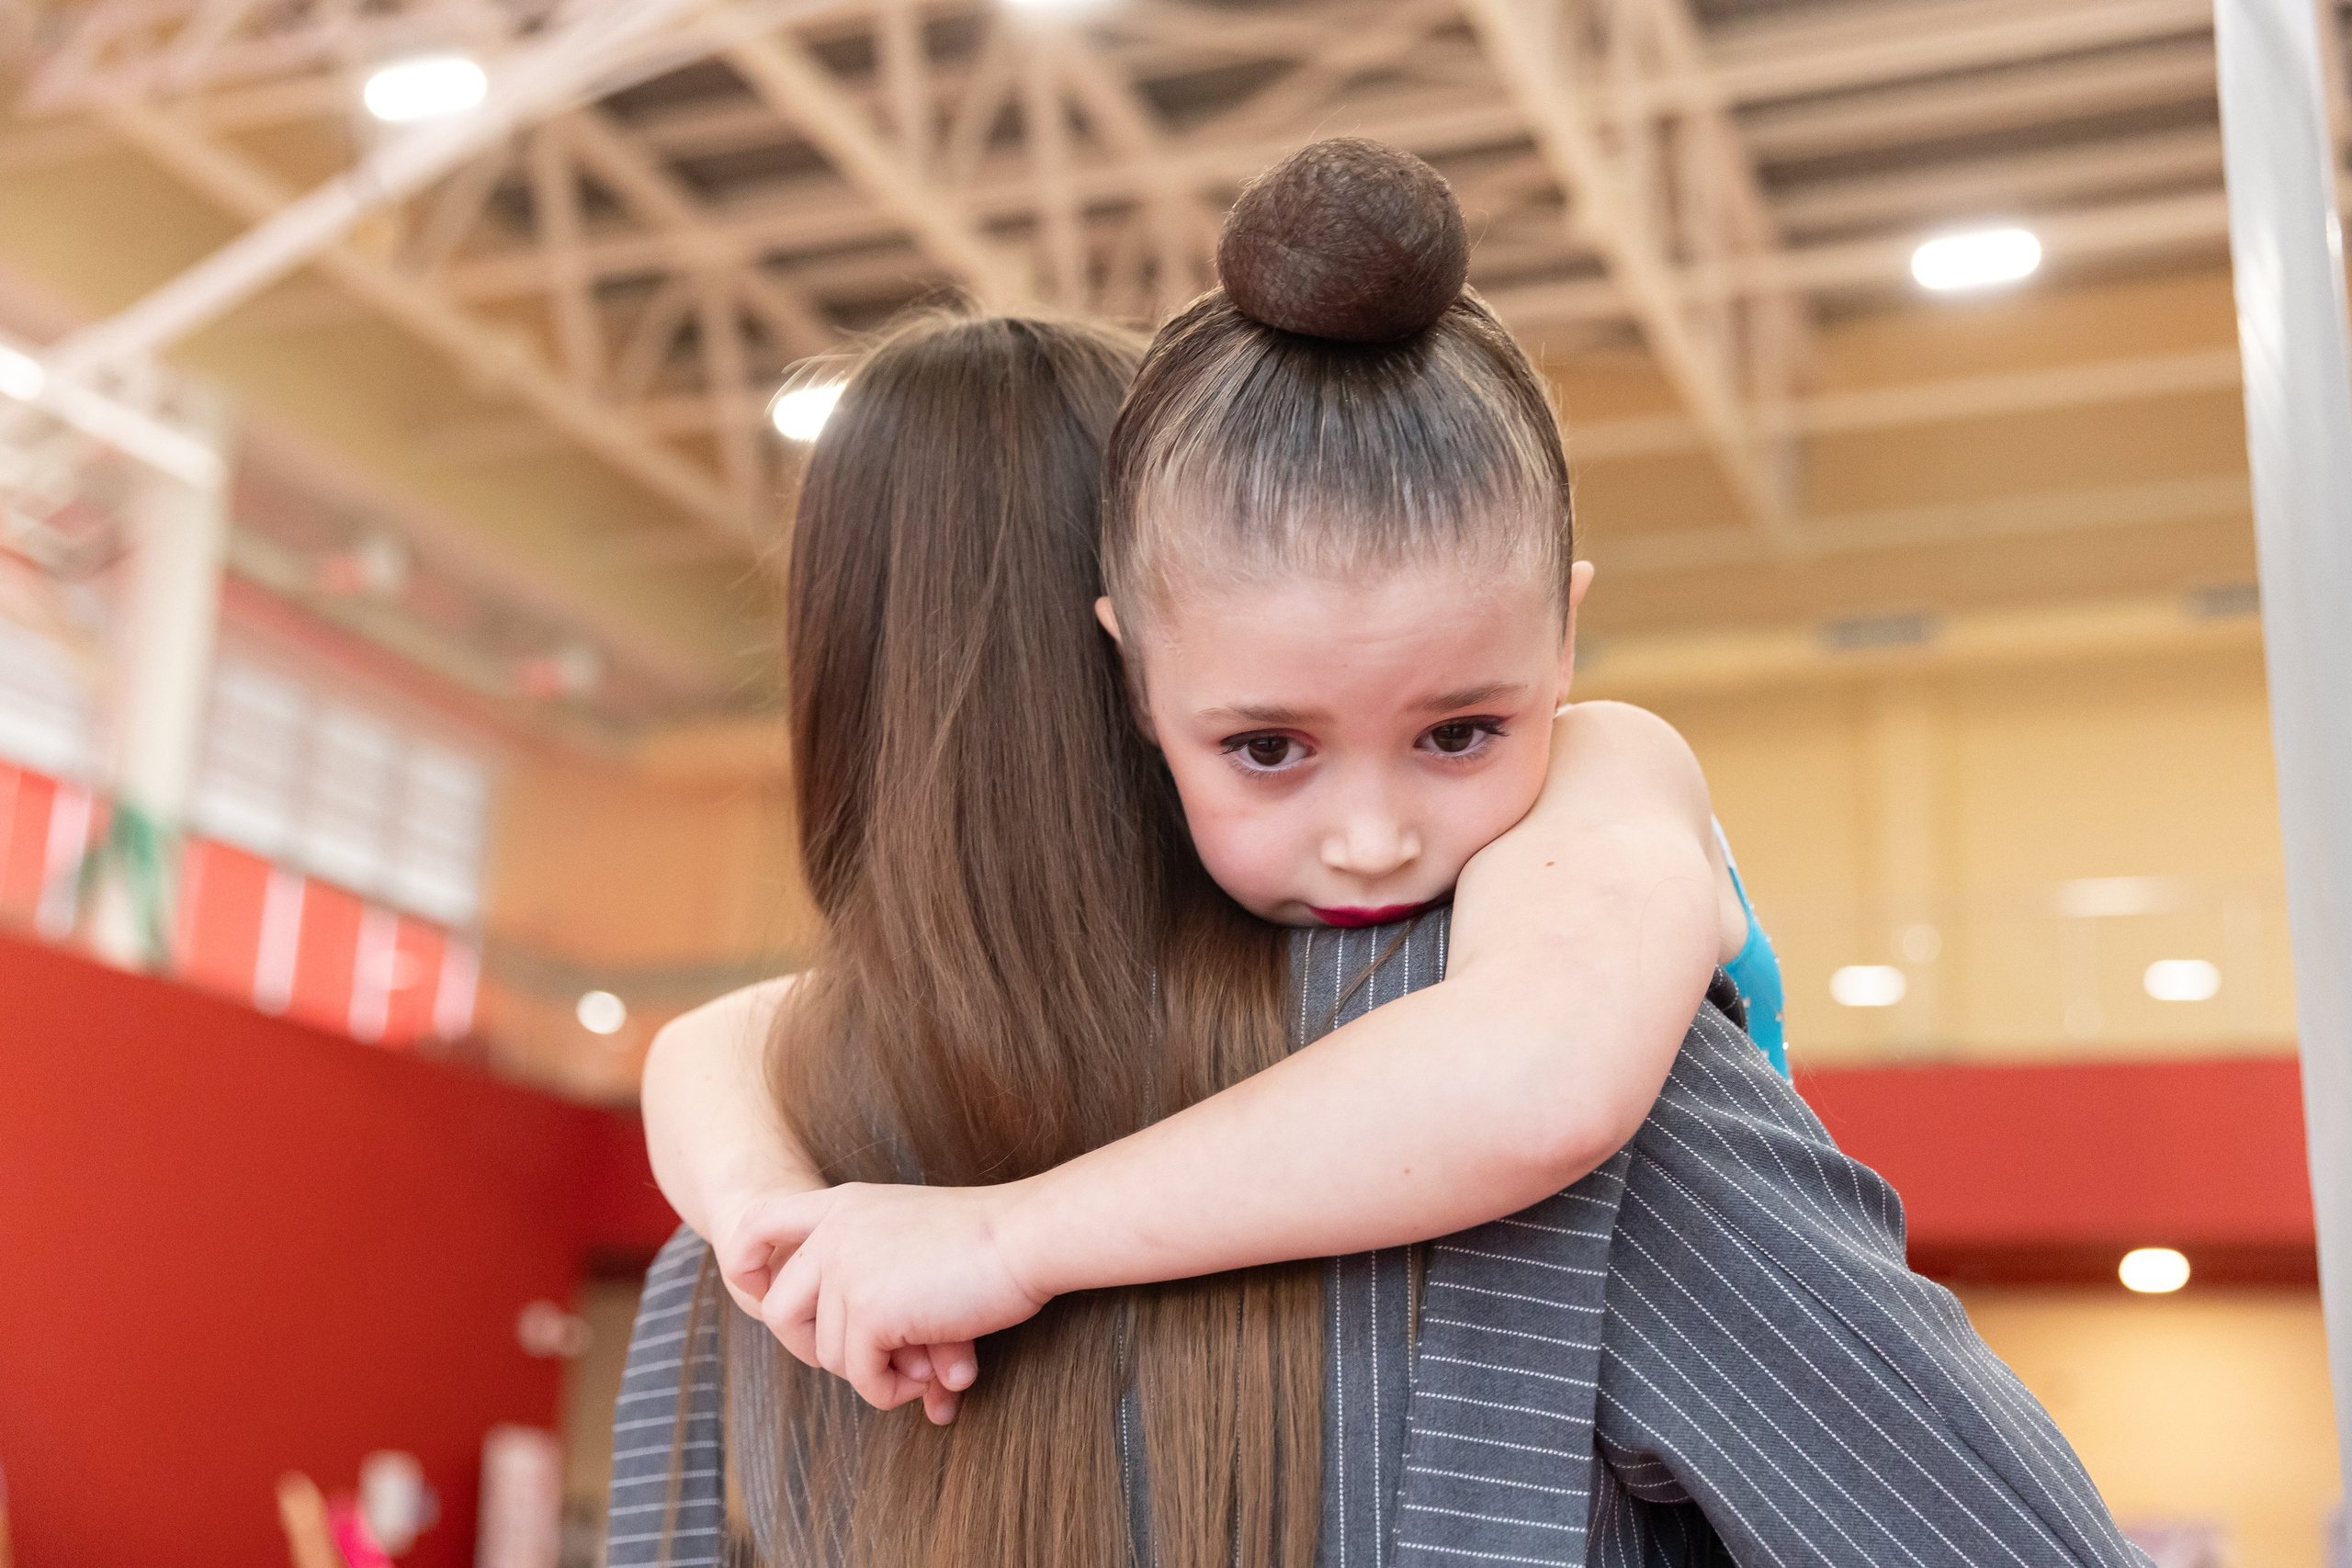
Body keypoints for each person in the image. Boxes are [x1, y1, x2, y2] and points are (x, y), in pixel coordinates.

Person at [615, 142, 2143, 1568]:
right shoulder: (1542, 1102)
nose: (1372, 836)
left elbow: (1537, 1076)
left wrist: (835, 1224)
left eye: (1460, 731)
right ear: (1133, 680)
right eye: (1269, 744)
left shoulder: (760, 1274)